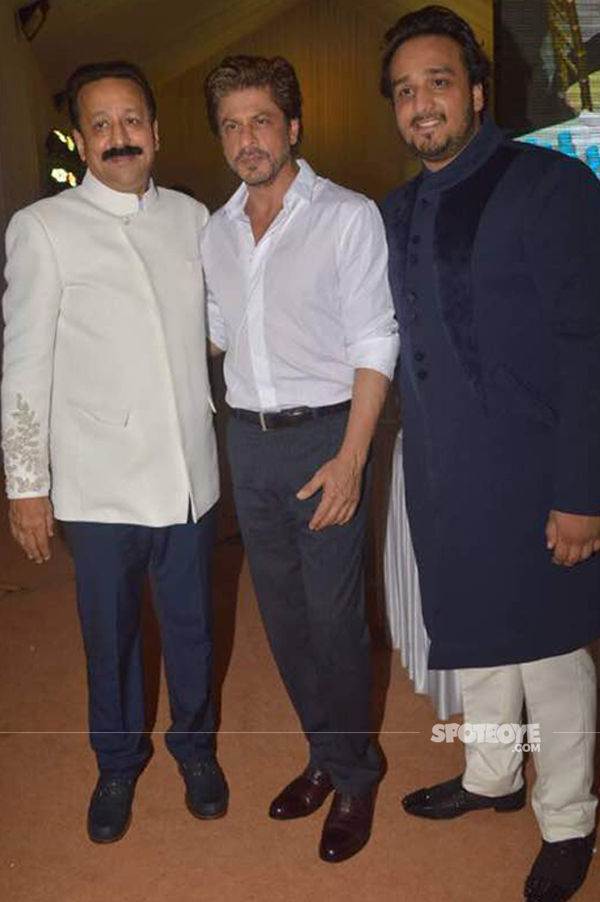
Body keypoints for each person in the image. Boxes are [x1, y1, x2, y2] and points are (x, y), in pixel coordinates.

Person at [379, 7, 600, 901]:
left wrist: (584, 491)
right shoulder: (395, 210)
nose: (421, 103)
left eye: (438, 82)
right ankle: (491, 778)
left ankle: (570, 816)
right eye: (404, 90)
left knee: (550, 658)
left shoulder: (553, 186)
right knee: (475, 639)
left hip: (539, 474)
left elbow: (591, 344)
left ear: (475, 91)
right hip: (443, 476)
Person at [1, 60, 228, 843]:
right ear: (80, 139)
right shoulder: (43, 228)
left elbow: (216, 327)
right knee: (112, 634)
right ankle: (117, 762)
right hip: (98, 485)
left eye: (131, 120)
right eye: (100, 125)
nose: (118, 137)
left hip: (190, 477)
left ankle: (195, 750)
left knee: (195, 626)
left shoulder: (196, 218)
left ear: (156, 131)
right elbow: (23, 363)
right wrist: (25, 483)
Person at [201, 54, 399, 863]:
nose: (247, 140)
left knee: (334, 619)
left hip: (326, 437)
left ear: (293, 127)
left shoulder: (346, 216)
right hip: (247, 441)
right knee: (282, 619)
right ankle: (326, 750)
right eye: (230, 125)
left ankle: (355, 774)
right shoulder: (214, 232)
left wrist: (353, 457)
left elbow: (376, 339)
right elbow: (214, 335)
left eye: (260, 121)